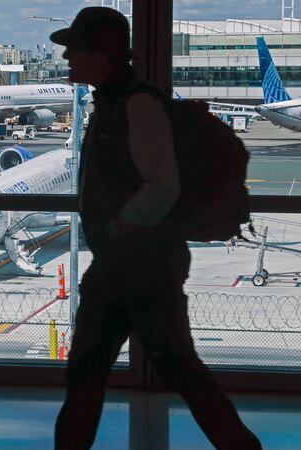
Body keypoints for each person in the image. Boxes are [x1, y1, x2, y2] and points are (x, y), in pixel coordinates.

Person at [49, 7, 262, 450]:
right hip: (128, 263)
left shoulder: (137, 105)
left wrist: (120, 226)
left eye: (75, 47)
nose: (66, 55)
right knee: (124, 373)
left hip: (139, 266)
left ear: (101, 56)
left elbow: (162, 185)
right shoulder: (111, 102)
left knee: (99, 373)